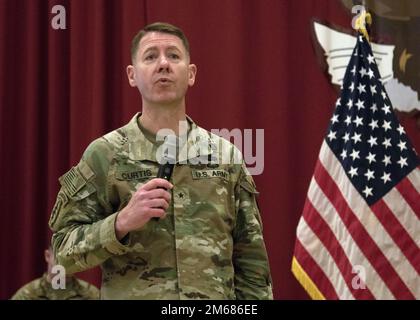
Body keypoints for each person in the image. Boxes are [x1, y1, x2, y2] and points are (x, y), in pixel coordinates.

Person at [49, 22, 273, 299]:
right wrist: (120, 223)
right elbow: (62, 251)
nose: (163, 64)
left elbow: (252, 263)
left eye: (174, 55)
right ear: (132, 75)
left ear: (191, 74)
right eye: (151, 56)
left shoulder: (226, 157)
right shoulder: (104, 155)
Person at [11, 247, 99, 300]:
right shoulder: (28, 295)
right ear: (48, 256)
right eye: (61, 256)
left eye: (72, 256)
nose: (67, 262)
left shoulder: (92, 295)